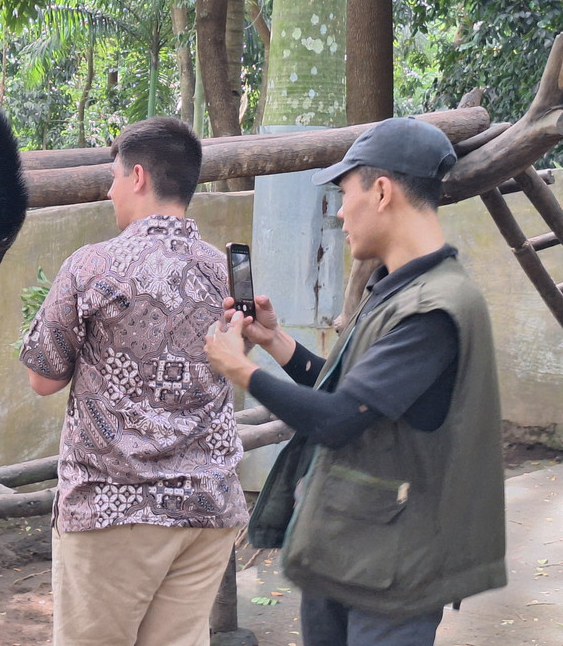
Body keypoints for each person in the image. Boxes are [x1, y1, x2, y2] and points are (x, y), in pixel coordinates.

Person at [205, 117, 507, 646]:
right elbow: (356, 395)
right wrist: (274, 343)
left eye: (345, 193)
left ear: (383, 191)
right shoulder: (399, 290)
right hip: (353, 548)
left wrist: (240, 368)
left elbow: (341, 420)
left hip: (395, 571)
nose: (341, 212)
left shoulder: (433, 310)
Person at [19, 116, 248, 646]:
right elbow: (236, 356)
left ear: (139, 177)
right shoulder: (225, 274)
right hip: (208, 508)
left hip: (114, 511)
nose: (109, 189)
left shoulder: (92, 267)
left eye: (114, 176)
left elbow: (41, 378)